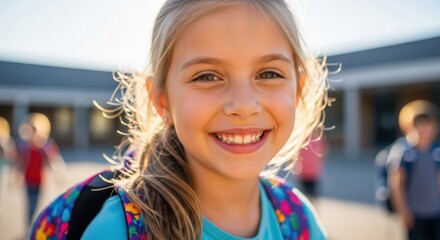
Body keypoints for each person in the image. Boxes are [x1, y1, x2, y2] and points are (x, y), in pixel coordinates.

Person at [32, 1, 330, 239]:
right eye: (207, 76)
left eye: (269, 74)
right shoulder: (117, 231)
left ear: (298, 89)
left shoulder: (298, 219)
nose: (243, 105)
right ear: (162, 100)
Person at [391, 112, 440, 240]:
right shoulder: (405, 154)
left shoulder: (436, 152)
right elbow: (397, 185)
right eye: (419, 125)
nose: (423, 129)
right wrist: (403, 211)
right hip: (414, 214)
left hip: (435, 213)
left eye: (427, 125)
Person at [15, 113, 66, 226]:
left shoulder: (43, 148)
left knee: (37, 204)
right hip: (28, 180)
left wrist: (58, 176)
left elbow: (53, 161)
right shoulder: (25, 148)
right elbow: (21, 163)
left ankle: (33, 224)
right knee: (31, 204)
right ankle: (30, 226)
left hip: (39, 180)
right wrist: (16, 176)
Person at [295, 129, 328, 200]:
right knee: (304, 193)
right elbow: (298, 155)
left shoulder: (318, 142)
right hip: (304, 172)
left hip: (313, 173)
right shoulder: (304, 142)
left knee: (312, 193)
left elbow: (323, 153)